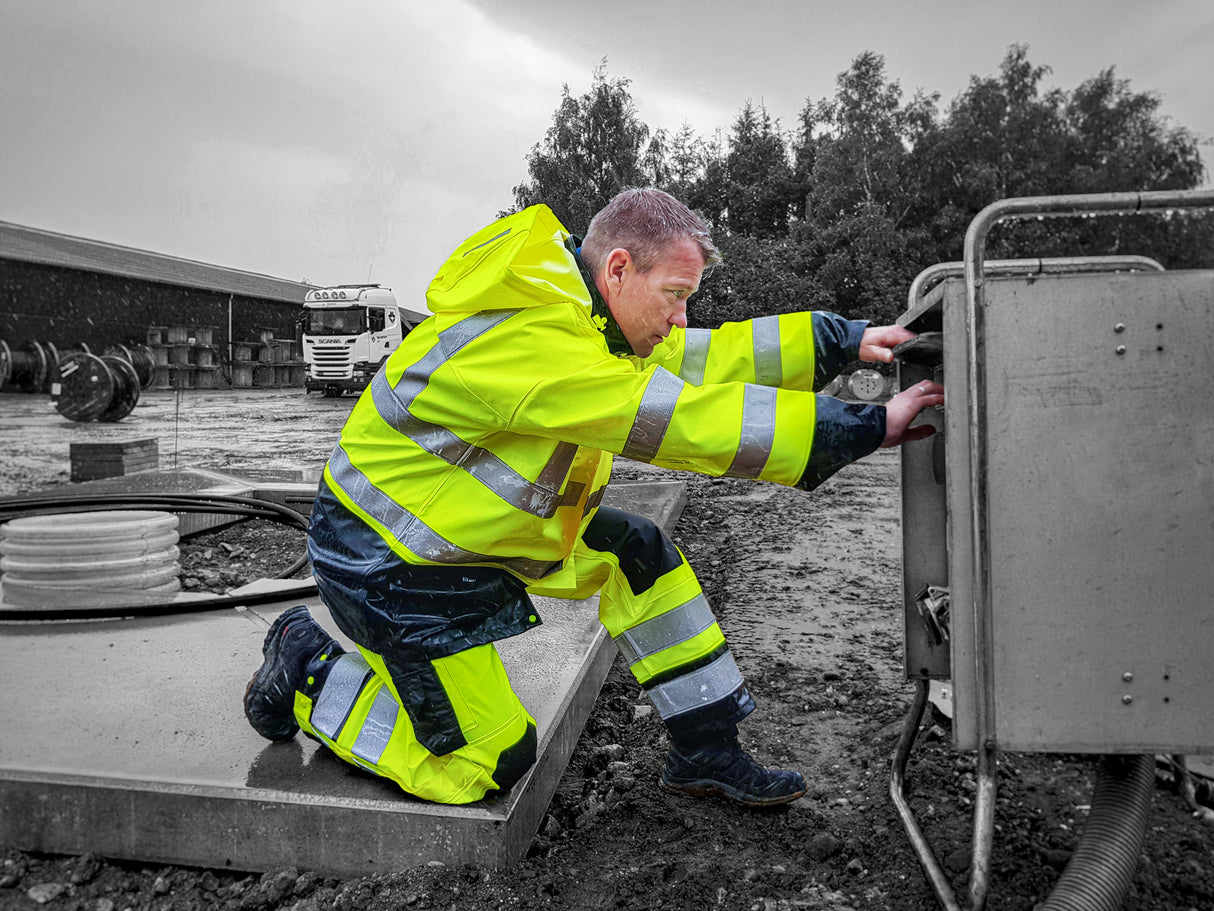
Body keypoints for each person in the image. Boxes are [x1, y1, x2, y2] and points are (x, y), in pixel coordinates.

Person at [244, 188, 943, 807]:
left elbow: (708, 356)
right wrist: (866, 425)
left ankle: (704, 747)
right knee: (489, 760)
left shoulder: (587, 321)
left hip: (463, 536)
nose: (680, 315)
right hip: (388, 564)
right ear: (617, 271)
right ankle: (309, 670)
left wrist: (846, 341)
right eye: (675, 294)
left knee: (639, 553)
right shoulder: (540, 343)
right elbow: (682, 422)